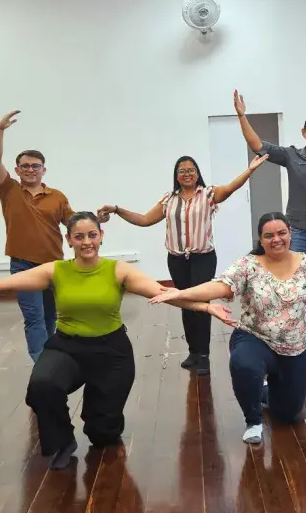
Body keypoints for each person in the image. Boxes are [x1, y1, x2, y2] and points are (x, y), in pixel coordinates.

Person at [0, 212, 209, 469]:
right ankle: (62, 442)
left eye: (92, 235)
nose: (87, 242)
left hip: (111, 352)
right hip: (68, 347)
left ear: (101, 236)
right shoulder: (56, 270)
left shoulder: (118, 270)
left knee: (103, 435)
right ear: (69, 239)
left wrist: (206, 307)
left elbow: (164, 293)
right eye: (79, 236)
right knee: (42, 386)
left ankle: (102, 427)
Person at [149, 212, 306, 444]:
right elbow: (218, 287)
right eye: (269, 235)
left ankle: (264, 390)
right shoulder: (248, 265)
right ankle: (253, 420)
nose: (276, 239)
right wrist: (181, 292)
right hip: (255, 338)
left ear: (290, 234)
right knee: (244, 364)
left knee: (287, 415)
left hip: (297, 347)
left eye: (281, 233)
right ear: (260, 240)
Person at [96, 153, 267, 375]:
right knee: (183, 300)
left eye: (191, 170)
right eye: (182, 171)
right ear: (176, 176)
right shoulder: (169, 199)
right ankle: (193, 352)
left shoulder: (208, 195)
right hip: (177, 259)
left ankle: (204, 354)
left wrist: (250, 170)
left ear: (197, 174)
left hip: (202, 258)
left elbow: (232, 187)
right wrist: (118, 210)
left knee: (201, 301)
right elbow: (145, 220)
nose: (187, 174)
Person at [233, 90, 306, 356]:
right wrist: (242, 115)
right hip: (298, 231)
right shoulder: (291, 155)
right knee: (290, 282)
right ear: (303, 132)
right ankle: (288, 334)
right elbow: (257, 146)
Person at [0, 110, 91, 362]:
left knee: (50, 316)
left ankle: (50, 359)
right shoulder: (9, 189)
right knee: (33, 318)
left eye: (35, 166)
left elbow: (73, 223)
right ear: (17, 169)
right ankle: (42, 363)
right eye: (25, 166)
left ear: (44, 170)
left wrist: (95, 222)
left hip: (53, 265)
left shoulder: (57, 196)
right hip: (22, 265)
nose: (30, 170)